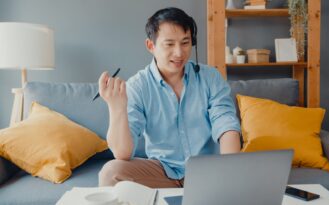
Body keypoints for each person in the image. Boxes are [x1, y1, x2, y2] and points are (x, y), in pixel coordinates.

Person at [98, 7, 241, 188]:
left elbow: (226, 125)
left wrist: (231, 171)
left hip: (208, 170)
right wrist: (116, 108)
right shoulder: (138, 86)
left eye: (185, 42)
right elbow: (123, 154)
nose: (179, 53)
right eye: (169, 44)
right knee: (111, 172)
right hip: (163, 171)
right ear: (151, 46)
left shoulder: (210, 77)